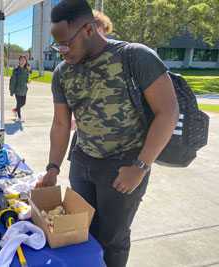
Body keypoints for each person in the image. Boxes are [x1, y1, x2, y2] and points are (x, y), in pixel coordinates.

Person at [35, 1, 179, 267]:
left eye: (66, 44)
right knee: (84, 231)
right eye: (58, 46)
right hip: (82, 162)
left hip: (124, 165)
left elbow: (168, 112)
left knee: (113, 238)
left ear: (89, 29)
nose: (62, 52)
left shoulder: (135, 56)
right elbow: (60, 124)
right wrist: (53, 168)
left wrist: (141, 165)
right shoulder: (62, 73)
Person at [67, 8, 113, 161]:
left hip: (113, 152)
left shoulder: (115, 61)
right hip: (84, 144)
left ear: (96, 30)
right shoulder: (83, 61)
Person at [9, 55, 30, 123]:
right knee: (18, 103)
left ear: (26, 61)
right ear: (19, 61)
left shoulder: (26, 70)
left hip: (24, 90)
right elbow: (13, 81)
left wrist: (28, 80)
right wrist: (12, 90)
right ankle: (19, 118)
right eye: (21, 60)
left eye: (24, 60)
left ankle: (15, 110)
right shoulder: (16, 70)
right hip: (17, 90)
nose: (23, 61)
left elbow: (26, 79)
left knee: (23, 103)